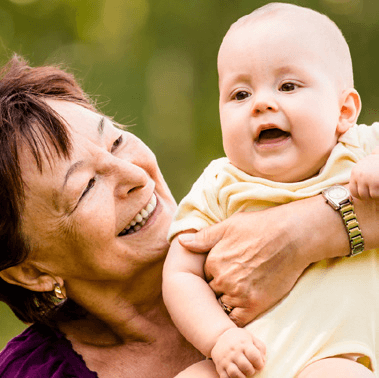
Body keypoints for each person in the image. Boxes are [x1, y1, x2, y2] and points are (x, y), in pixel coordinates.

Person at [0, 56, 377, 378]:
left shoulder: (266, 182)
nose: (134, 176)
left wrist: (308, 231)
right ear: (31, 272)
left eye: (116, 140)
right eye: (85, 187)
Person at [163, 3, 379, 378]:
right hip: (244, 362)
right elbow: (180, 275)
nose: (262, 103)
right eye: (240, 95)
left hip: (334, 358)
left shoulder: (360, 149)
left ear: (344, 111)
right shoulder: (219, 184)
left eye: (288, 86)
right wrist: (219, 339)